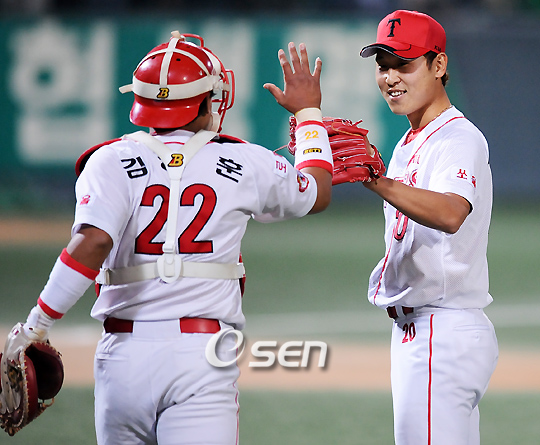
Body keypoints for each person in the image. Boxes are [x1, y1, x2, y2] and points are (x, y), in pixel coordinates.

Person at [5, 32, 332, 444]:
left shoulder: (108, 159)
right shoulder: (243, 159)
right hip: (203, 356)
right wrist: (308, 114)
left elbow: (92, 243)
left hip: (122, 355)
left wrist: (37, 326)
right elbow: (316, 192)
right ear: (204, 102)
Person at [359, 10, 498, 445]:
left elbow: (452, 212)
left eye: (404, 64)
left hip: (442, 330)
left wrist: (377, 182)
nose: (391, 77)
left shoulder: (458, 137)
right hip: (427, 333)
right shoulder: (408, 142)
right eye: (383, 66)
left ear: (438, 65)